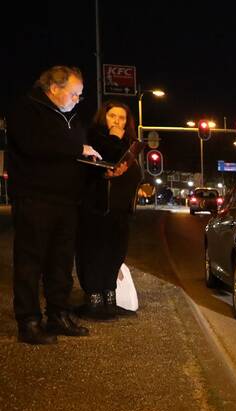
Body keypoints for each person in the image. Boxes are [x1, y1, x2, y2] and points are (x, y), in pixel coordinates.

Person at [6, 65, 102, 344]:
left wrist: (95, 165)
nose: (76, 100)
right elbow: (34, 145)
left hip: (66, 201)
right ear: (54, 88)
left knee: (60, 263)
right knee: (30, 262)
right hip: (35, 199)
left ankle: (58, 314)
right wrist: (77, 149)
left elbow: (73, 151)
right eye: (74, 94)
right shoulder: (27, 110)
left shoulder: (70, 118)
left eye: (80, 96)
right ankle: (29, 321)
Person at [76, 100, 143, 319]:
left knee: (115, 252)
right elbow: (110, 156)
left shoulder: (128, 142)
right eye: (112, 116)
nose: (117, 121)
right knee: (94, 251)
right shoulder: (94, 136)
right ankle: (94, 299)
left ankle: (109, 298)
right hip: (97, 208)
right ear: (103, 117)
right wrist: (115, 136)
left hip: (120, 210)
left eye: (122, 118)